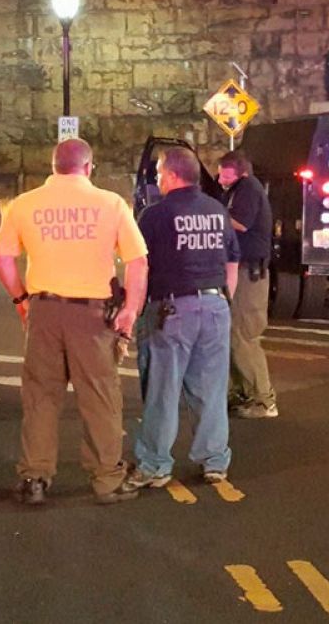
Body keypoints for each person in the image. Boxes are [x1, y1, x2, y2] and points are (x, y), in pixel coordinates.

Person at [0, 138, 148, 506]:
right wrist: (130, 310)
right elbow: (138, 261)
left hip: (44, 311)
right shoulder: (110, 204)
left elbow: (2, 258)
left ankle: (35, 477)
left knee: (41, 397)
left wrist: (21, 299)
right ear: (88, 167)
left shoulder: (27, 204)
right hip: (92, 317)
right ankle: (107, 478)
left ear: (53, 167)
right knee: (99, 397)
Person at [120, 147, 240, 492]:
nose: (157, 178)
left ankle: (155, 464)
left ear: (172, 175)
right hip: (215, 306)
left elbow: (140, 266)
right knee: (211, 390)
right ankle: (214, 461)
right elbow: (233, 260)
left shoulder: (155, 215)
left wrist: (132, 309)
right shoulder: (217, 210)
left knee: (162, 390)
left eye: (159, 172)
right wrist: (225, 299)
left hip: (172, 310)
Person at [218, 150, 277, 420]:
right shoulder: (237, 190)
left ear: (240, 170)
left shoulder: (248, 189)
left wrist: (211, 212)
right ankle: (241, 393)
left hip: (248, 274)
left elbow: (240, 223)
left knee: (244, 334)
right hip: (239, 271)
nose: (220, 177)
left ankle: (263, 400)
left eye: (224, 172)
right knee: (232, 334)